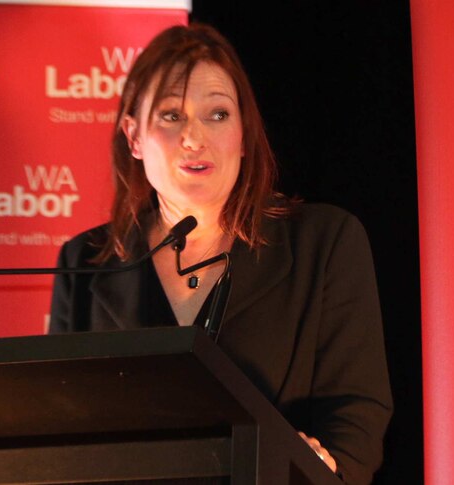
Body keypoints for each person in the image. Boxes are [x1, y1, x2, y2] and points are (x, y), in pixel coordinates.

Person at [48, 23, 392, 484]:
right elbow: (62, 427)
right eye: (171, 115)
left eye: (218, 115)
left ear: (245, 135)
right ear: (133, 137)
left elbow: (357, 412)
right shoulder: (86, 261)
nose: (195, 137)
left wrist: (324, 466)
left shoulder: (324, 242)